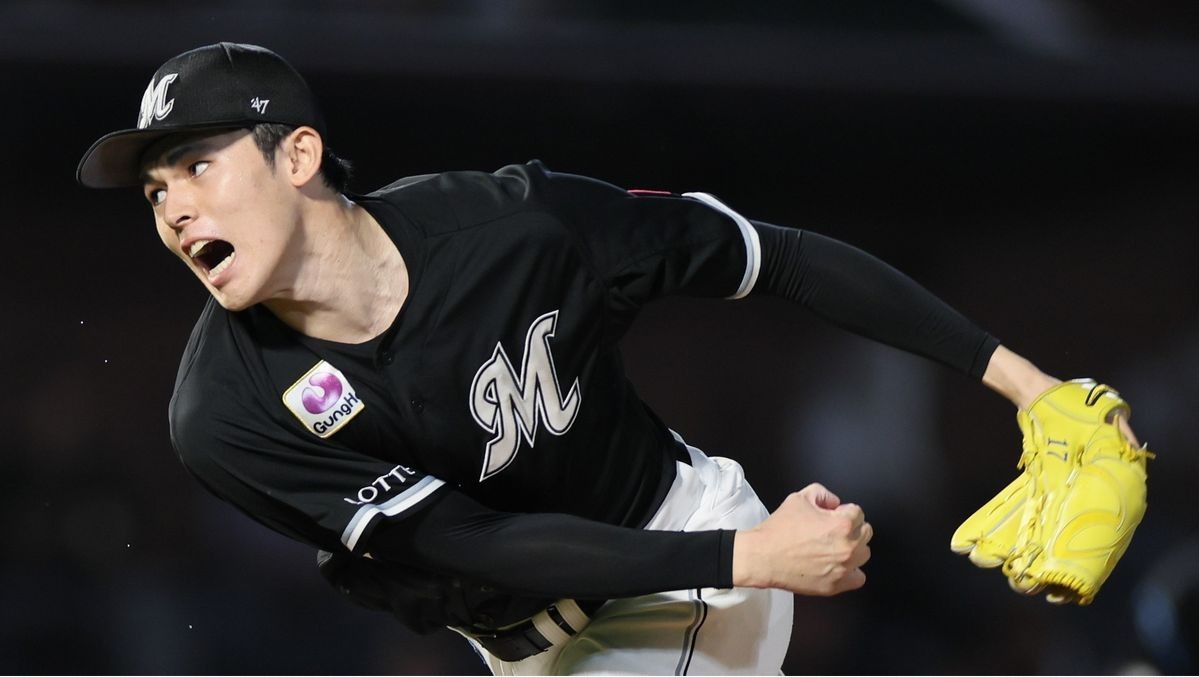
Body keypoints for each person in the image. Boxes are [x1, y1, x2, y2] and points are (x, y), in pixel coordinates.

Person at [77, 43, 1138, 675]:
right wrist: (752, 558)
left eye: (196, 165)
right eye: (156, 191)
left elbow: (774, 257)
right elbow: (477, 546)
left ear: (297, 154)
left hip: (680, 553)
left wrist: (1026, 384)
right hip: (532, 634)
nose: (173, 206)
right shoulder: (223, 410)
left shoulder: (514, 228)